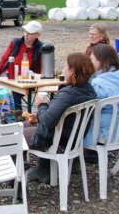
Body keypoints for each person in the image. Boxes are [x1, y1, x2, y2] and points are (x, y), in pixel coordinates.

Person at [24, 53, 97, 183]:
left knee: (17, 134)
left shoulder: (68, 94)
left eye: (65, 67)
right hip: (74, 139)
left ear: (72, 71)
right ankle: (52, 167)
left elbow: (47, 120)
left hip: (58, 141)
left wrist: (42, 103)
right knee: (25, 125)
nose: (63, 70)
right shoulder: (90, 90)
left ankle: (20, 176)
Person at [83, 44, 119, 150]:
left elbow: (87, 104)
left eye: (91, 59)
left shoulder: (100, 84)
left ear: (100, 60)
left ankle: (66, 158)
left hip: (101, 133)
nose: (89, 62)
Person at [0, 20, 44, 110]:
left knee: (14, 92)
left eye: (30, 33)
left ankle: (16, 115)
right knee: (6, 90)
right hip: (8, 75)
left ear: (37, 35)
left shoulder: (40, 48)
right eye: (25, 31)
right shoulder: (15, 42)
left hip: (25, 79)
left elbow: (39, 70)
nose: (26, 34)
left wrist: (37, 81)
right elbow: (4, 59)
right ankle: (7, 114)